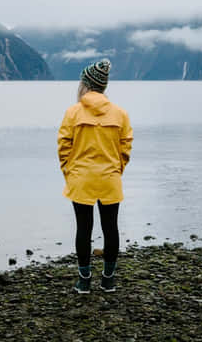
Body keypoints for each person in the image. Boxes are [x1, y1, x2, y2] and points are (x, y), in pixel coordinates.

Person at [57, 58, 133, 293]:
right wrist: (117, 168)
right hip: (109, 178)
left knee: (83, 228)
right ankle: (108, 280)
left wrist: (69, 171)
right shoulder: (120, 114)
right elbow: (125, 146)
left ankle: (84, 280)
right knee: (111, 228)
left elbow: (63, 146)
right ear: (104, 86)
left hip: (81, 179)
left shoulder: (73, 112)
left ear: (86, 84)